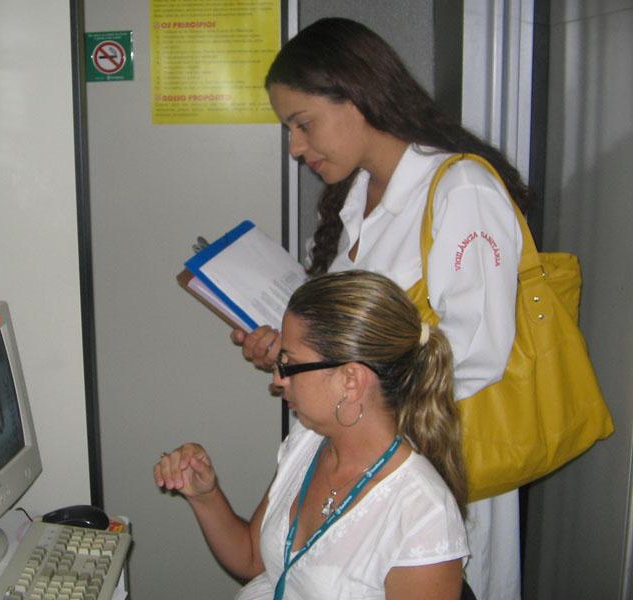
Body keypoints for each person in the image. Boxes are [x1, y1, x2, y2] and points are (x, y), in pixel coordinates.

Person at [229, 17, 525, 600]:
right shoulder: (359, 196)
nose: (295, 148)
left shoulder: (461, 190)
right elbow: (352, 330)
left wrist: (346, 378)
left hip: (436, 461)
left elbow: (479, 353)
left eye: (303, 124)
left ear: (358, 96)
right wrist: (297, 356)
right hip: (359, 457)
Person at [156, 270, 469, 599]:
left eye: (289, 364)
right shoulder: (309, 439)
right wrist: (205, 495)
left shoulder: (423, 516)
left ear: (351, 381)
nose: (278, 379)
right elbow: (253, 559)